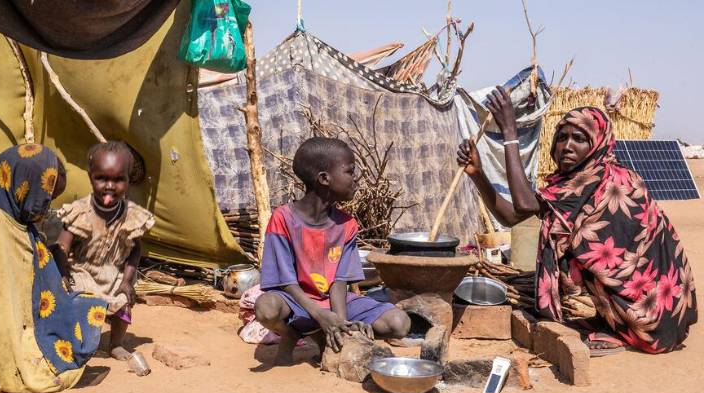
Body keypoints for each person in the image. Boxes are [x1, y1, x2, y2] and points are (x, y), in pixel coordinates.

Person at [457, 86, 697, 355]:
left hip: (651, 320)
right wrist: (478, 175)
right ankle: (612, 320)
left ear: (596, 143)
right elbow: (512, 216)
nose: (567, 146)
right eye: (562, 138)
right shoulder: (575, 183)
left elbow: (523, 204)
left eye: (579, 138)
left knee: (575, 250)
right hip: (660, 316)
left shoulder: (603, 179)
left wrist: (510, 134)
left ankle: (621, 327)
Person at [0, 144, 107, 393]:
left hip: (29, 313)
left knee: (82, 310)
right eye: (45, 197)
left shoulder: (25, 225)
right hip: (7, 316)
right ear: (23, 187)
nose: (47, 204)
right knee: (31, 367)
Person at [254, 137, 411, 365]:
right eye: (350, 171)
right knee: (266, 308)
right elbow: (286, 282)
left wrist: (341, 324)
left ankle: (323, 337)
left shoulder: (347, 225)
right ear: (324, 179)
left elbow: (339, 281)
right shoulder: (283, 219)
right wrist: (319, 314)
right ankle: (290, 334)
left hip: (331, 302)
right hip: (294, 301)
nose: (356, 179)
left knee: (400, 323)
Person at [54, 141, 155, 361]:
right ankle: (78, 342)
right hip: (83, 271)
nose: (110, 186)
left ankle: (115, 343)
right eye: (102, 178)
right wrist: (62, 273)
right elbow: (62, 245)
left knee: (123, 301)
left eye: (119, 179)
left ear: (129, 180)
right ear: (91, 177)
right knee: (80, 301)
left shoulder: (132, 215)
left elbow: (135, 251)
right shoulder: (81, 211)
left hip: (115, 271)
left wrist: (127, 280)